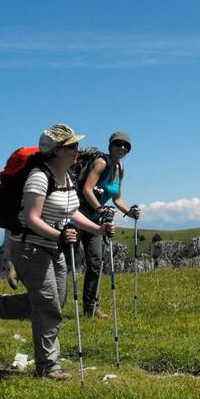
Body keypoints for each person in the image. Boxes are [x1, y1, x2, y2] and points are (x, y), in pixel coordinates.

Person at [0, 124, 115, 381]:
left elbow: (71, 212)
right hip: (30, 246)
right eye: (72, 146)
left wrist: (98, 230)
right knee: (49, 305)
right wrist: (60, 235)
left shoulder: (67, 175)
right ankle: (48, 366)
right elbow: (31, 218)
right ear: (56, 151)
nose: (78, 150)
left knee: (56, 300)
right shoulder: (39, 177)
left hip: (54, 246)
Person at [79, 131, 140, 318]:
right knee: (65, 260)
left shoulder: (120, 169)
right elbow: (87, 189)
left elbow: (117, 197)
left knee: (96, 261)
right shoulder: (101, 163)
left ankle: (91, 308)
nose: (121, 148)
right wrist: (100, 209)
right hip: (78, 215)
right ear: (110, 145)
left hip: (95, 219)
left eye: (125, 145)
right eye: (118, 144)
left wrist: (128, 212)